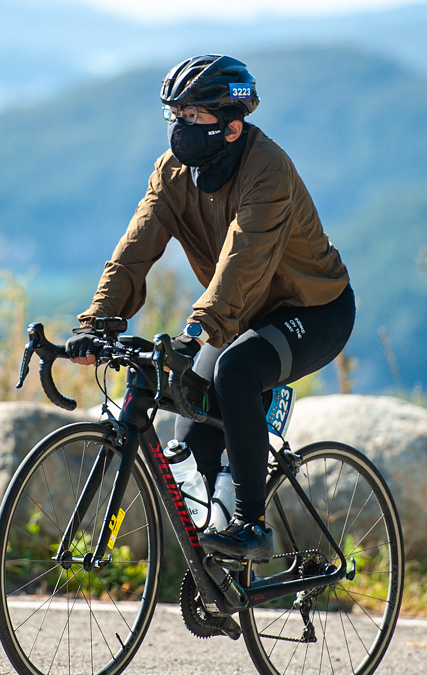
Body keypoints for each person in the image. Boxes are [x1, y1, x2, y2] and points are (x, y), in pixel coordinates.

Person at [69, 54, 354, 562]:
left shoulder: (268, 170)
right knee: (191, 427)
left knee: (237, 370)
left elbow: (243, 260)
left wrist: (198, 330)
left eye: (193, 115)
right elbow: (135, 247)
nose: (180, 126)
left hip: (314, 309)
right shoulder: (173, 171)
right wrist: (98, 320)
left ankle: (251, 525)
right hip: (237, 314)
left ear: (231, 126)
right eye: (175, 114)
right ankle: (219, 567)